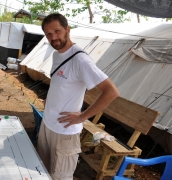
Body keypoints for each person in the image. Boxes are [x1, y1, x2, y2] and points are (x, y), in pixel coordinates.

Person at [37, 13, 119, 180]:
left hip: (65, 132)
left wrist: (83, 116)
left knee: (60, 176)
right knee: (42, 170)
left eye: (57, 31)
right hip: (47, 124)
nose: (53, 37)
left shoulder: (80, 59)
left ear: (68, 30)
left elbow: (111, 91)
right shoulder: (56, 54)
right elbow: (61, 84)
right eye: (48, 34)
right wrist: (50, 100)